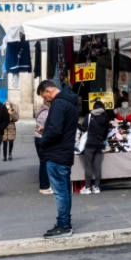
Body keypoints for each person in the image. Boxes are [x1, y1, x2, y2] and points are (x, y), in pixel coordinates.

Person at [36, 80, 78, 237]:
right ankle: (65, 222)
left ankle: (63, 225)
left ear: (48, 92)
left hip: (56, 153)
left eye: (44, 97)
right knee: (65, 191)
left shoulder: (58, 104)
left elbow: (55, 130)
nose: (46, 100)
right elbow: (62, 126)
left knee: (60, 192)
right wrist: (46, 128)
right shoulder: (71, 103)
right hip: (65, 152)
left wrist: (44, 140)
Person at [80, 101, 108, 195]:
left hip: (90, 144)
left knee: (88, 167)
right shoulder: (105, 117)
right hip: (99, 144)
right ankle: (96, 187)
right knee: (97, 167)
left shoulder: (89, 116)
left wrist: (77, 124)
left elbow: (83, 129)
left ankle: (87, 188)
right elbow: (106, 133)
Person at [34, 100, 52, 194]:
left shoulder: (41, 111)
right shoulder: (46, 113)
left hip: (39, 138)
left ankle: (45, 185)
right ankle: (44, 186)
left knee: (43, 162)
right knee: (44, 162)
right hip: (42, 138)